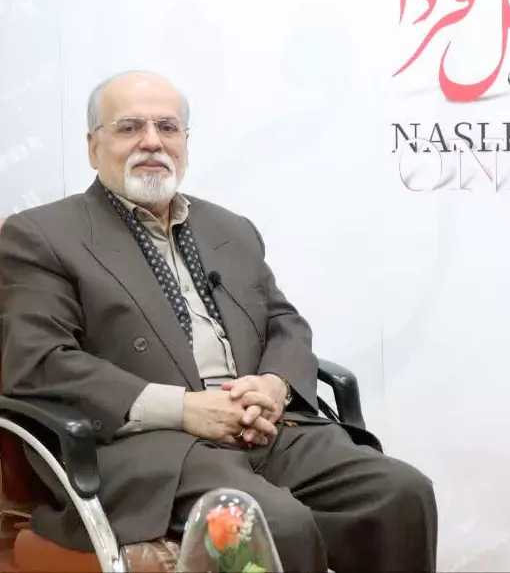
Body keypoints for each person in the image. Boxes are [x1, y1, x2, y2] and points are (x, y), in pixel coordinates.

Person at [0, 70, 437, 572]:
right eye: (130, 127)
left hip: (263, 430)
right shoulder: (44, 235)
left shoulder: (229, 228)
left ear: (185, 142)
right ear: (93, 146)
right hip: (148, 449)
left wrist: (274, 386)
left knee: (400, 493)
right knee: (275, 523)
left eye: (167, 127)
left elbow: (284, 323)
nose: (152, 141)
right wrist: (186, 409)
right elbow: (42, 362)